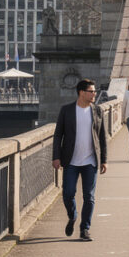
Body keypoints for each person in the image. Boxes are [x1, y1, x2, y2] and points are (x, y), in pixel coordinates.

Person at [52, 79, 109, 241]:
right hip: (71, 161)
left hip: (90, 161)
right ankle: (73, 216)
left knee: (89, 197)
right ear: (81, 93)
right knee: (68, 193)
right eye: (91, 91)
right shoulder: (67, 110)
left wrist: (104, 160)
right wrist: (56, 156)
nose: (94, 94)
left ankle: (85, 229)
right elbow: (58, 135)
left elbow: (102, 137)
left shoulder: (97, 110)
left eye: (94, 91)